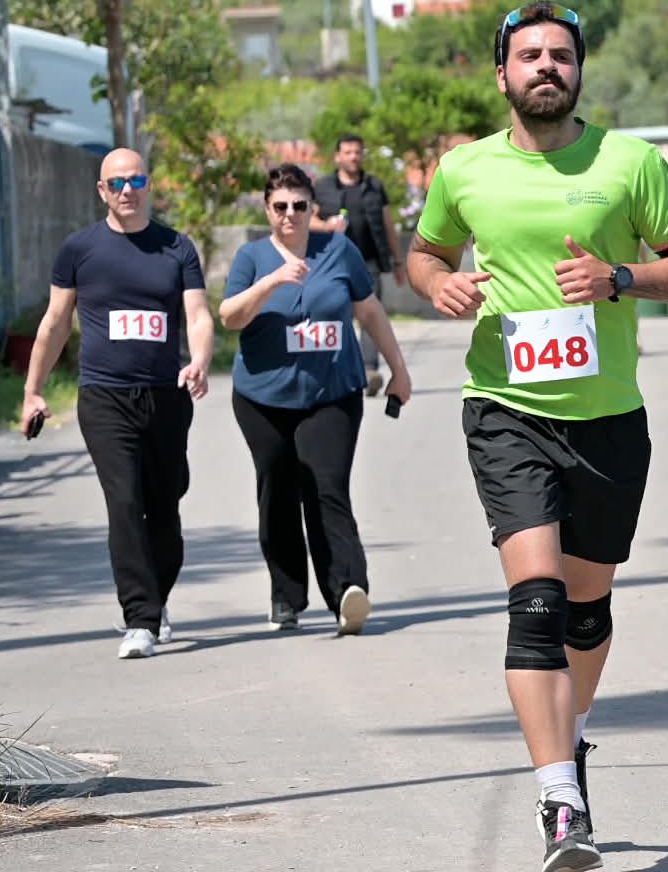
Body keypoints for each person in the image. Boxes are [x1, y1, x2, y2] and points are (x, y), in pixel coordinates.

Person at [406, 1, 668, 872]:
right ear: (500, 73)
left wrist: (617, 277)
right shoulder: (464, 171)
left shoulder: (630, 163)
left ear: (578, 70)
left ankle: (571, 739)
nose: (546, 66)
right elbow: (424, 253)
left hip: (608, 420)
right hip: (505, 409)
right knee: (537, 603)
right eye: (529, 55)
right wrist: (438, 284)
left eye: (560, 56)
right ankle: (558, 799)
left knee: (587, 612)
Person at [20, 148, 212, 661]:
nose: (128, 190)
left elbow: (197, 314)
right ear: (102, 191)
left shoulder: (177, 248)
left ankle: (157, 597)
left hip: (167, 396)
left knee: (164, 504)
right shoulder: (79, 250)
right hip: (104, 396)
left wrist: (199, 360)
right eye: (117, 183)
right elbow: (56, 322)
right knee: (124, 501)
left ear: (149, 185)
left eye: (137, 180)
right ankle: (140, 619)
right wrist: (33, 390)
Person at [221, 164, 413, 636]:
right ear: (267, 210)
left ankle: (347, 591)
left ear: (313, 209)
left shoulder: (338, 250)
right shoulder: (252, 258)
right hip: (262, 398)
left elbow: (370, 312)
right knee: (278, 492)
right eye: (281, 206)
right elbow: (228, 316)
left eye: (299, 205)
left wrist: (399, 370)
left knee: (327, 487)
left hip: (332, 393)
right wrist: (271, 283)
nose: (290, 214)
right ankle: (286, 596)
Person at [314, 135, 401, 397]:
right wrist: (327, 226)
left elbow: (388, 225)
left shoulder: (374, 186)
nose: (353, 156)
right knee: (337, 316)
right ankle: (337, 369)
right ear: (337, 157)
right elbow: (308, 220)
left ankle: (369, 370)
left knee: (371, 316)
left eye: (357, 152)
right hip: (333, 264)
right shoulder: (323, 187)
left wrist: (397, 262)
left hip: (369, 262)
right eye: (348, 152)